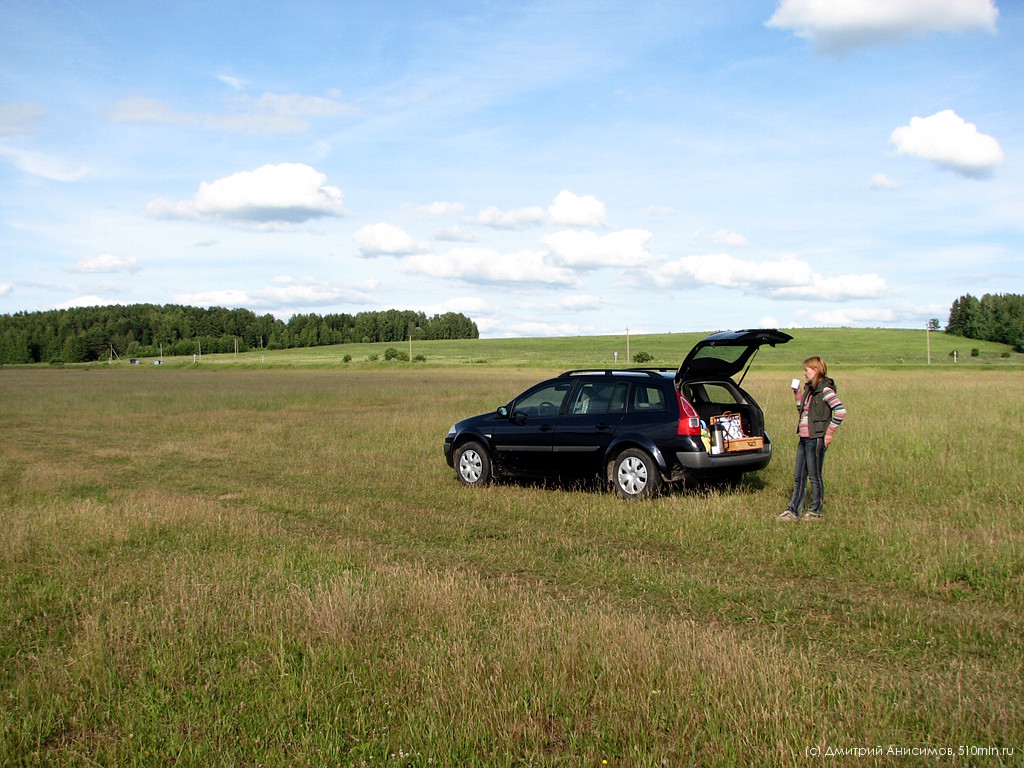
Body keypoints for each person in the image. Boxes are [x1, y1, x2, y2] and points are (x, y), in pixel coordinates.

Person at [777, 356, 846, 522]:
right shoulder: (810, 390)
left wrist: (829, 433)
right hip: (804, 437)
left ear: (815, 370)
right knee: (799, 475)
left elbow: (840, 411)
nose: (804, 373)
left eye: (806, 370)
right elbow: (802, 410)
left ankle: (815, 511)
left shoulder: (825, 390)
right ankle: (793, 511)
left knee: (814, 476)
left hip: (816, 438)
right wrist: (797, 393)